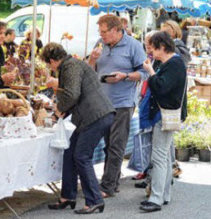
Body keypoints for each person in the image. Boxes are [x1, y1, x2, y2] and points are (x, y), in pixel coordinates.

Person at [43, 43, 115, 214]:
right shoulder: (73, 64)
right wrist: (60, 112)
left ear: (53, 60)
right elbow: (75, 94)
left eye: (48, 64)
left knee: (82, 156)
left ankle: (94, 200)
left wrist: (60, 108)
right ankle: (68, 196)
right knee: (70, 153)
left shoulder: (70, 66)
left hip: (95, 116)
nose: (50, 68)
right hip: (95, 115)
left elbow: (72, 94)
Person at [88, 14, 148, 198]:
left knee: (116, 145)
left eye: (104, 31)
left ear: (116, 29)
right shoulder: (100, 43)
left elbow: (145, 73)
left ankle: (106, 187)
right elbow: (90, 71)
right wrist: (92, 59)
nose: (102, 35)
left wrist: (125, 76)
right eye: (100, 31)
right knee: (108, 145)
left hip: (123, 102)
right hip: (103, 102)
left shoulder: (134, 46)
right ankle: (113, 182)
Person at [139, 31, 187, 213]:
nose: (151, 50)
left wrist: (150, 71)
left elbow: (161, 87)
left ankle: (156, 198)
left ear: (163, 47)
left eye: (153, 47)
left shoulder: (174, 64)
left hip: (165, 115)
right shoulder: (172, 63)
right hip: (164, 114)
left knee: (159, 157)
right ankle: (164, 194)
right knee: (165, 157)